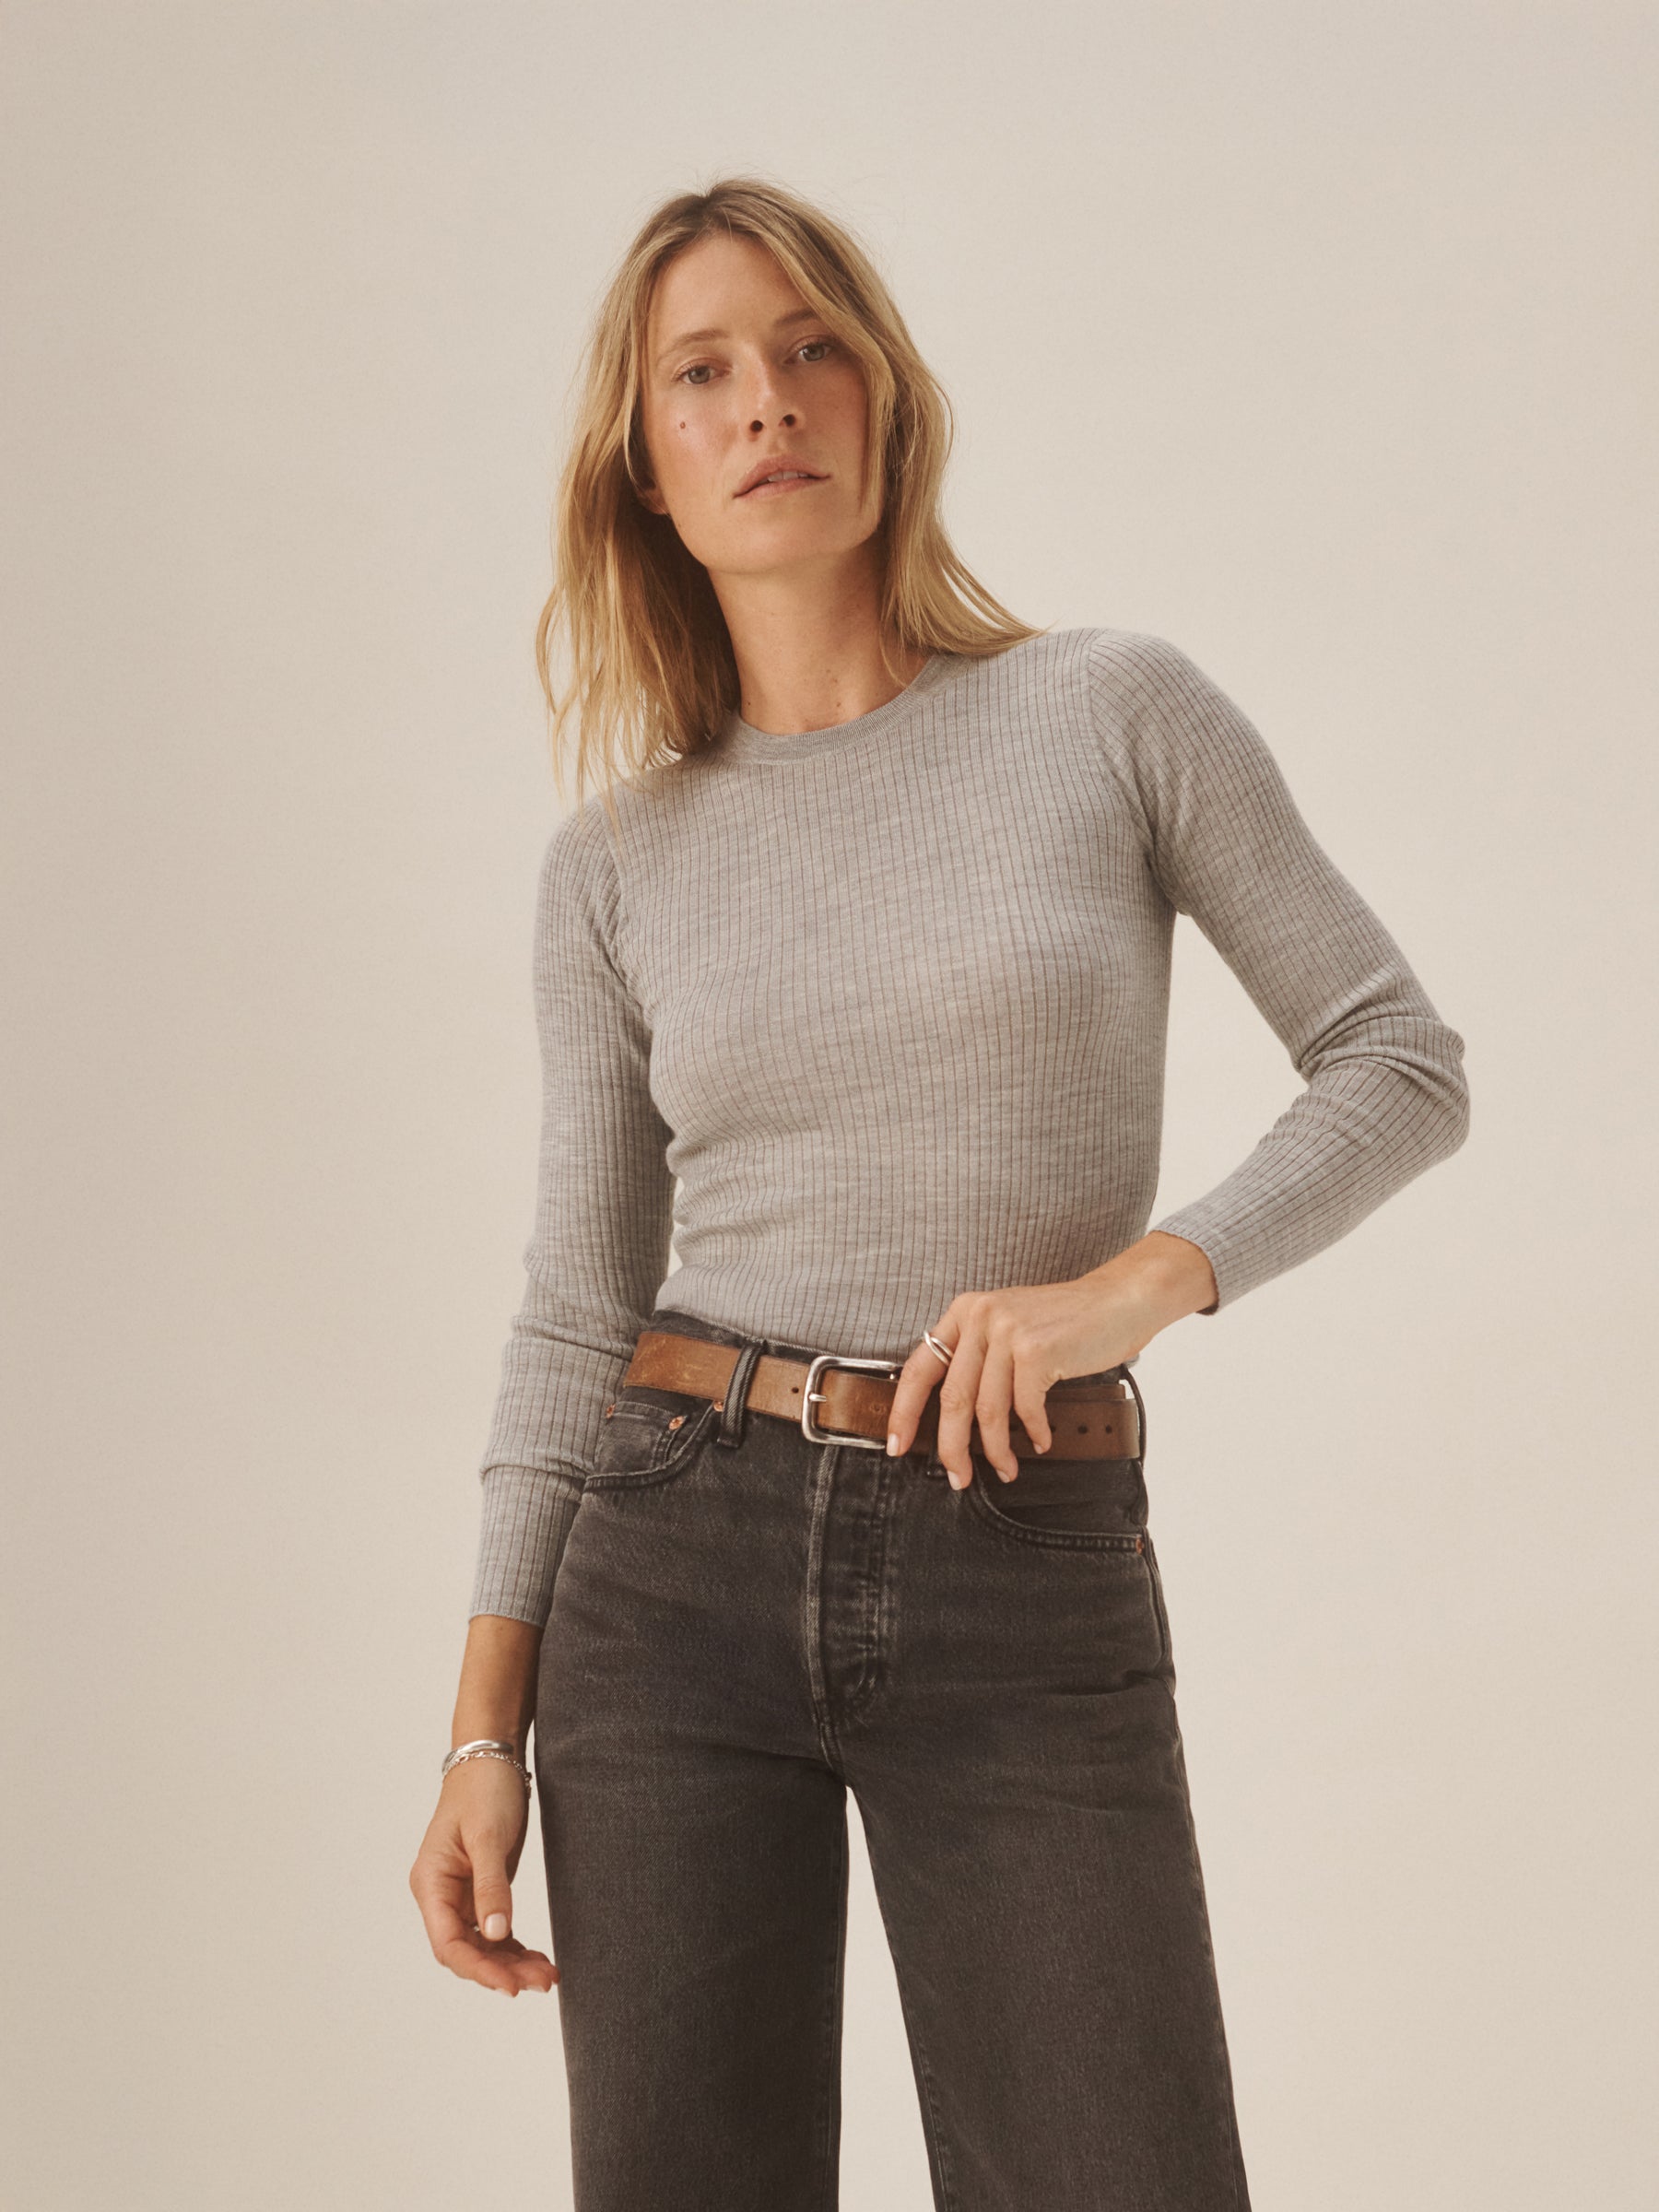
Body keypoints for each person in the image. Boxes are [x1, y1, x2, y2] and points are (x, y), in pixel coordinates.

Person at [408, 175, 1470, 2211]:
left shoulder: (1112, 713)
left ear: (887, 401)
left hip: (1018, 1537)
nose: (766, 401)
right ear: (643, 468)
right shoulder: (616, 864)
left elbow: (1397, 1062)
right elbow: (574, 1307)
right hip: (671, 1563)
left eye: (812, 347)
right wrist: (480, 1733)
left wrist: (1133, 1289)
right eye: (702, 373)